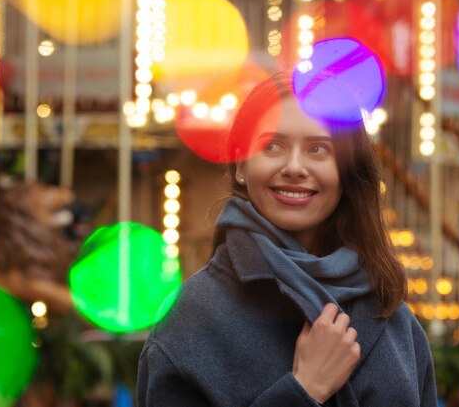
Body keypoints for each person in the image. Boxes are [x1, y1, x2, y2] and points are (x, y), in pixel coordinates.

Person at [137, 73, 437, 406]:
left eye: (318, 148)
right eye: (272, 146)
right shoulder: (189, 322)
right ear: (240, 165)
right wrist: (304, 390)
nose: (294, 167)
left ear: (346, 171)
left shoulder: (394, 319)